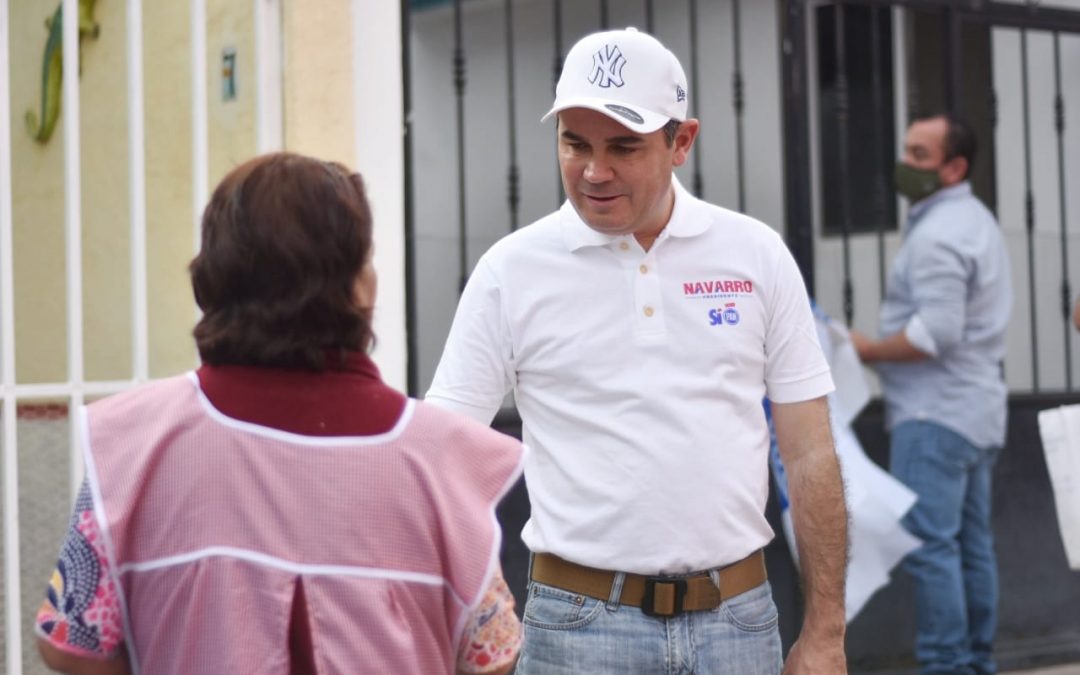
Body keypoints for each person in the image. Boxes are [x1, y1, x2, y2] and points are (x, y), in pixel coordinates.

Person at [427, 27, 848, 674]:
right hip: (576, 629)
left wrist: (824, 632)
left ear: (682, 142)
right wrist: (472, 604)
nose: (594, 171)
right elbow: (443, 457)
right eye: (575, 143)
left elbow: (810, 449)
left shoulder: (756, 256)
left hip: (738, 624)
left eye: (623, 146)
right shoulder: (509, 271)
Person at [34, 152, 525, 675]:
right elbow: (490, 653)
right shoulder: (435, 457)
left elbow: (70, 639)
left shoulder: (138, 443)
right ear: (357, 286)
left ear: (212, 278)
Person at [850, 114, 1012, 675]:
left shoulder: (941, 233)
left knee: (933, 547)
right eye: (907, 151)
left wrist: (867, 350)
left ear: (954, 167)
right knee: (970, 545)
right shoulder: (976, 220)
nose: (906, 164)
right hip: (975, 411)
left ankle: (948, 665)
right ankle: (977, 661)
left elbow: (936, 332)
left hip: (934, 413)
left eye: (919, 155)